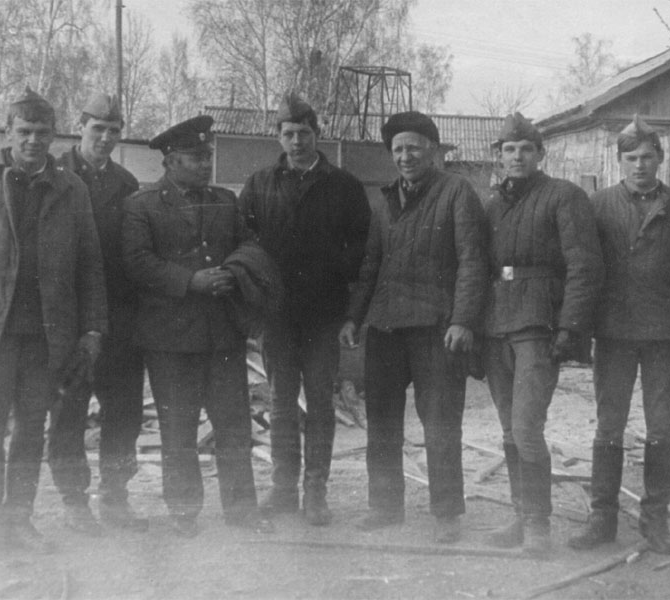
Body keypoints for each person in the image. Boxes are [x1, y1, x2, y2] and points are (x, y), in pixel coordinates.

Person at [0, 86, 107, 558]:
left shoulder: (72, 188)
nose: (33, 140)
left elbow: (90, 265)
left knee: (31, 427)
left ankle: (19, 518)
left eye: (42, 133)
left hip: (48, 334)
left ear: (54, 136)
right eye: (24, 131)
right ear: (7, 132)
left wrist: (92, 329)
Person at [122, 115, 274, 538]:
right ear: (171, 161)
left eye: (208, 156)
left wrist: (234, 270)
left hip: (222, 334)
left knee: (234, 426)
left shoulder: (225, 201)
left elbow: (248, 243)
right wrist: (191, 281)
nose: (206, 164)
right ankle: (183, 510)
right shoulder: (142, 205)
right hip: (169, 338)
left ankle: (241, 509)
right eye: (196, 158)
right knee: (178, 428)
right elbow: (137, 262)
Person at [338, 112, 487, 542]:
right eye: (398, 149)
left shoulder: (456, 191)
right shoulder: (385, 200)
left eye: (414, 148)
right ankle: (385, 507)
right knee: (382, 421)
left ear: (433, 151)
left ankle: (446, 515)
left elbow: (472, 260)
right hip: (386, 327)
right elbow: (371, 264)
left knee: (440, 423)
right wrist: (354, 317)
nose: (405, 156)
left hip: (436, 329)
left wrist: (462, 320)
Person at [239, 93, 370, 526]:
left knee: (318, 401)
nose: (297, 142)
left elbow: (362, 254)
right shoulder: (260, 184)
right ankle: (282, 489)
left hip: (323, 315)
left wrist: (347, 308)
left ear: (318, 134)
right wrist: (256, 303)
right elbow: (243, 247)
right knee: (280, 402)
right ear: (278, 136)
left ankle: (315, 491)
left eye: (305, 133)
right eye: (289, 134)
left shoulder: (344, 186)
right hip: (276, 316)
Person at [567, 116, 670, 555]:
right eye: (631, 158)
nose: (640, 165)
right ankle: (602, 518)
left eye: (647, 157)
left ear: (660, 158)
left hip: (664, 334)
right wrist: (579, 329)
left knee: (661, 427)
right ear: (619, 161)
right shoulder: (599, 205)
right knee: (609, 425)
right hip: (614, 332)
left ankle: (655, 521)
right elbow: (584, 269)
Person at [482, 112, 603, 556]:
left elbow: (584, 265)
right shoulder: (492, 206)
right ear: (499, 156)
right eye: (509, 150)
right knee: (508, 429)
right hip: (496, 322)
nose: (517, 157)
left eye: (525, 149)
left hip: (538, 322)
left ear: (540, 154)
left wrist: (570, 326)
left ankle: (537, 523)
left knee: (526, 427)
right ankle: (520, 515)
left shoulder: (564, 197)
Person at [47, 93, 145, 535]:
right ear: (80, 126)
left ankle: (115, 496)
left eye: (114, 130)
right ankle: (73, 500)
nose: (105, 137)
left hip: (119, 316)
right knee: (69, 410)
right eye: (97, 128)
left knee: (124, 410)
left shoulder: (126, 184)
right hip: (69, 317)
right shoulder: (54, 174)